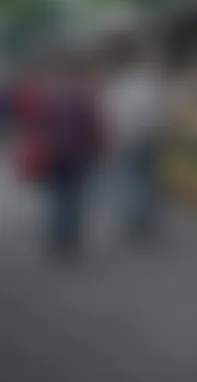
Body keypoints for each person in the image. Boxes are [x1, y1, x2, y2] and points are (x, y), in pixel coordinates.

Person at [30, 55, 104, 259]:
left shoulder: (47, 97)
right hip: (78, 153)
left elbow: (37, 125)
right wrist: (97, 147)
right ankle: (70, 236)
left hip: (54, 152)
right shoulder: (83, 97)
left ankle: (57, 236)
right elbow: (93, 125)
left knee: (57, 196)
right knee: (74, 197)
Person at [107, 44, 166, 241]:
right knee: (147, 179)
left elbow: (113, 115)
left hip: (128, 139)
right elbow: (160, 116)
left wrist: (114, 138)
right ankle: (145, 216)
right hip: (149, 139)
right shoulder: (152, 90)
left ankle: (134, 217)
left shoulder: (121, 90)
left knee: (130, 178)